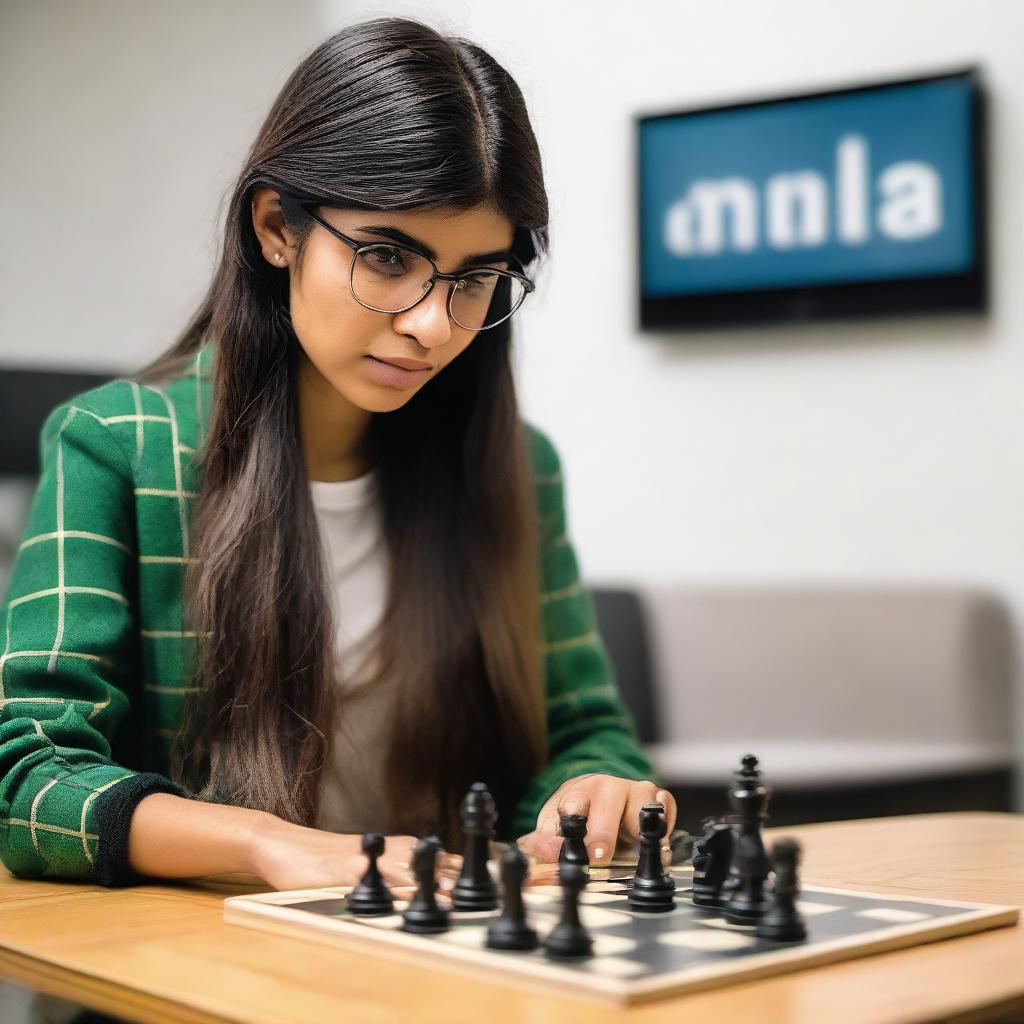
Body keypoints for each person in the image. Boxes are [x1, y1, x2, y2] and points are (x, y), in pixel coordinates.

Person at [0, 16, 675, 893]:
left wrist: (591, 790)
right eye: (389, 256)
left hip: (443, 957)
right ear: (279, 227)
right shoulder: (116, 447)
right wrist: (266, 844)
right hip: (200, 964)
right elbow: (27, 779)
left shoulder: (517, 465)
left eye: (474, 279)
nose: (433, 325)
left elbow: (585, 732)